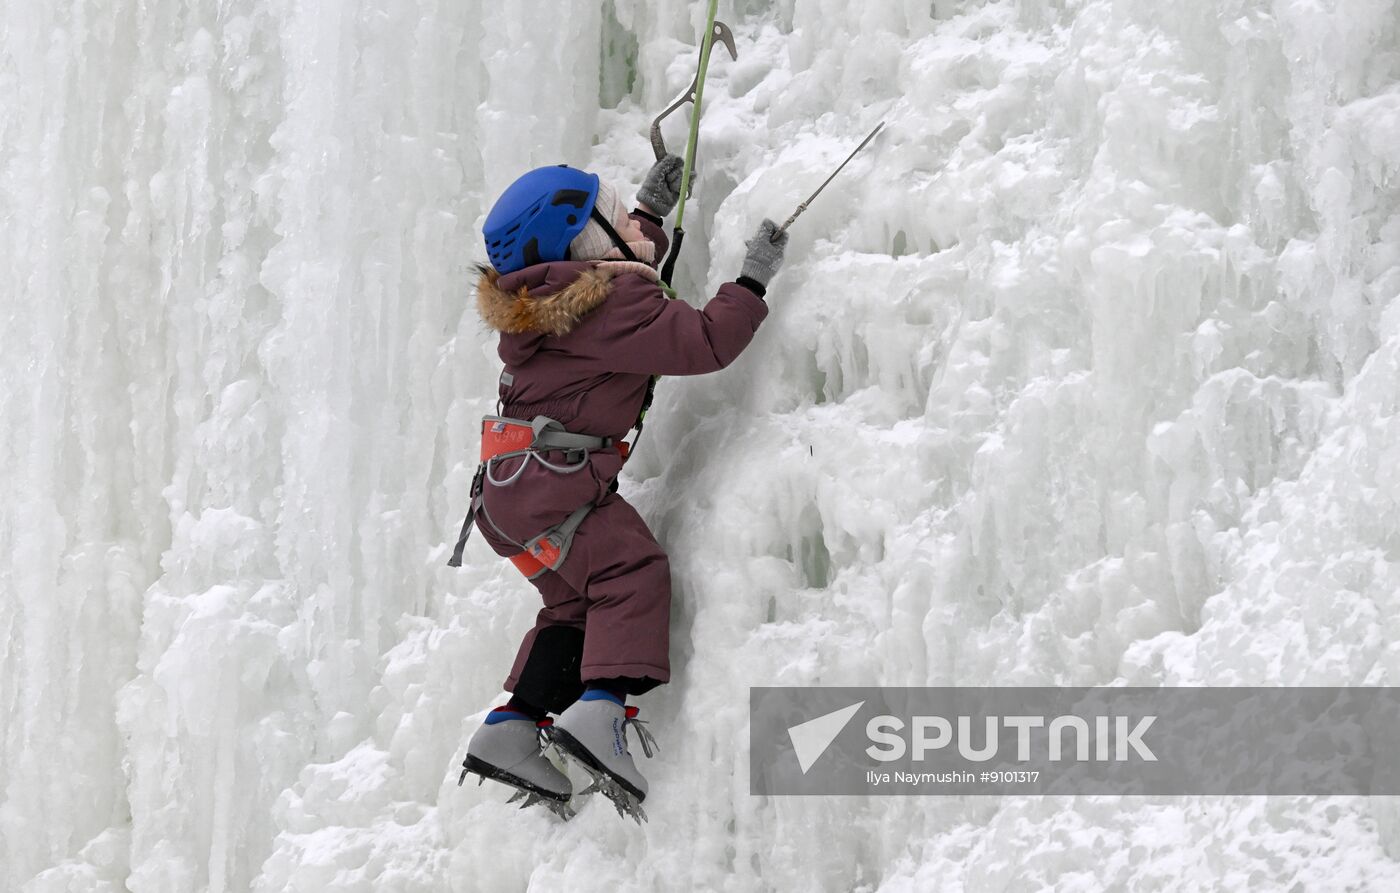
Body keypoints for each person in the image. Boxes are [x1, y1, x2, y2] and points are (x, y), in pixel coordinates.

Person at [454, 154, 788, 815]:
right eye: (614, 218)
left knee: (574, 607)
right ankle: (598, 712)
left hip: (506, 494)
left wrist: (647, 214)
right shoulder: (611, 306)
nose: (628, 228)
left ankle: (513, 726)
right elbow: (702, 340)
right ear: (591, 243)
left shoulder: (546, 305)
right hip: (554, 487)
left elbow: (610, 265)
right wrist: (750, 282)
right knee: (630, 574)